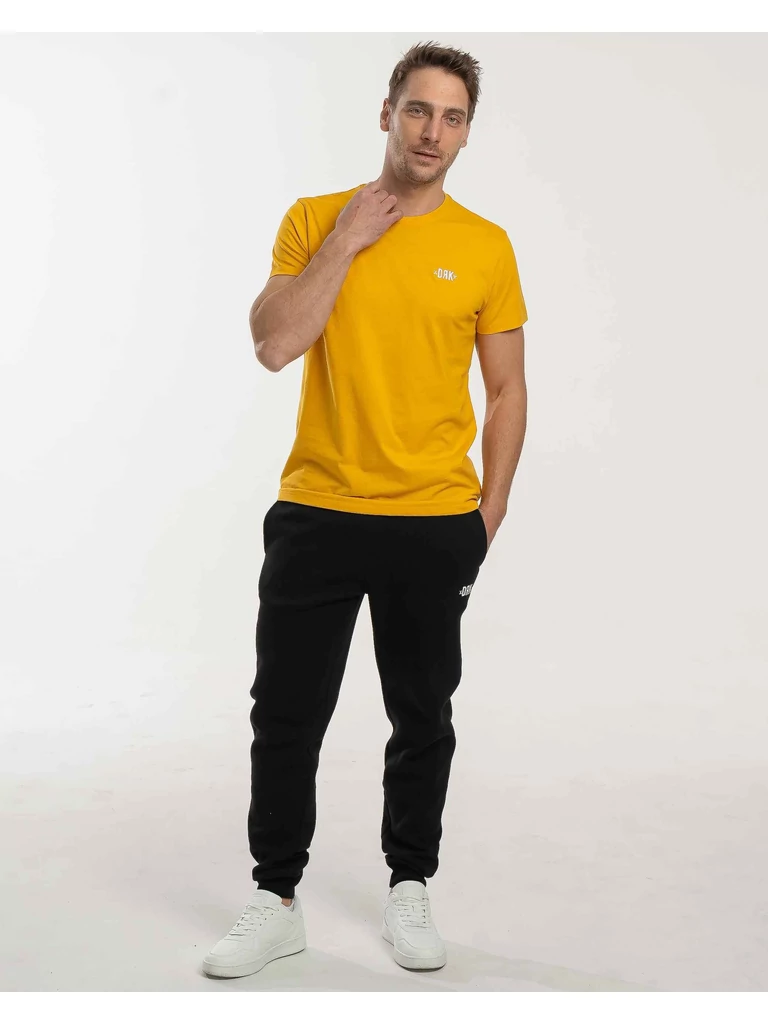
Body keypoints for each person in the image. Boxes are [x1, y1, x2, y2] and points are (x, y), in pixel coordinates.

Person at [203, 39, 528, 980]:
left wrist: (488, 513)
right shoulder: (315, 220)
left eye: (453, 118)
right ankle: (276, 899)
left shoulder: (485, 247)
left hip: (434, 521)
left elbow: (506, 390)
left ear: (466, 135)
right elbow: (275, 345)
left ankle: (409, 884)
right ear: (387, 113)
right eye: (418, 109)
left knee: (422, 715)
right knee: (285, 714)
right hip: (319, 509)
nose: (432, 131)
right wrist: (348, 238)